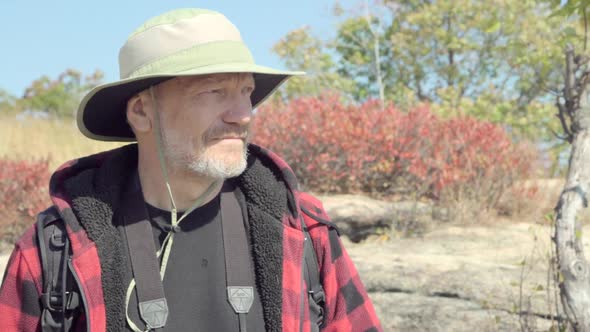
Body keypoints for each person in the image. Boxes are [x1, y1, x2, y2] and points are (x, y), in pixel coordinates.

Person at [0, 8, 382, 332]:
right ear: (142, 111)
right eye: (214, 92)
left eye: (246, 92)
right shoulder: (56, 248)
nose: (242, 115)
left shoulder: (301, 229)